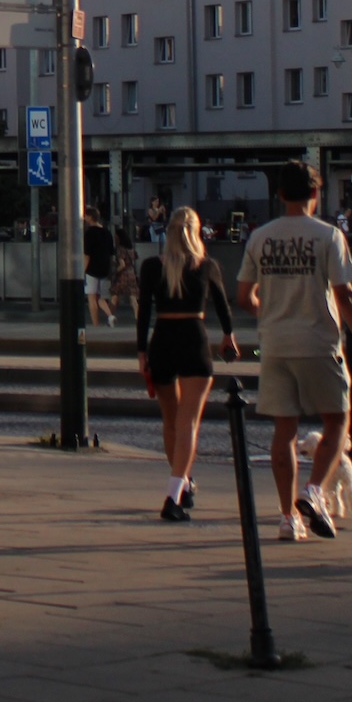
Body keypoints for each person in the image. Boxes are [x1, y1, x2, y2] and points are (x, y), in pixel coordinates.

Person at [235, 162, 352, 544]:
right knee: (337, 422)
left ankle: (287, 518)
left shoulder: (260, 238)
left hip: (275, 344)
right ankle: (314, 492)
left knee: (284, 431)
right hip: (318, 342)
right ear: (315, 194)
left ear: (279, 194)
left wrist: (267, 310)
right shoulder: (328, 236)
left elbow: (243, 296)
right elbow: (345, 294)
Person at [137, 205, 238, 522]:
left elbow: (143, 314)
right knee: (189, 423)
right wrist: (228, 337)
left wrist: (141, 352)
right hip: (194, 339)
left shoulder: (153, 266)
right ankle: (173, 494)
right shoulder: (206, 265)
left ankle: (183, 482)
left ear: (168, 233)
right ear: (197, 232)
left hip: (162, 340)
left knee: (171, 421)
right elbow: (223, 307)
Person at [83, 208, 115, 326]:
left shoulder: (89, 233)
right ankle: (110, 316)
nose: (84, 218)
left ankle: (96, 325)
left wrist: (83, 270)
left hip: (92, 269)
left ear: (90, 217)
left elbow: (87, 255)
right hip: (105, 268)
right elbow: (111, 252)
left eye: (85, 216)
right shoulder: (107, 232)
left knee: (91, 298)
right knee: (101, 297)